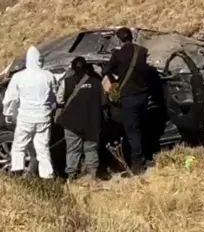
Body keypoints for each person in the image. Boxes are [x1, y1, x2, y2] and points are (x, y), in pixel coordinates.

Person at [2, 46, 58, 180]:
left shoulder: (19, 77)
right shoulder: (49, 76)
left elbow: (10, 98)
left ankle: (17, 175)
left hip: (25, 119)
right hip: (43, 118)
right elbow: (55, 96)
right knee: (43, 149)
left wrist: (8, 114)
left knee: (18, 147)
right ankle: (48, 178)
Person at [102, 27, 150, 175]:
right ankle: (147, 156)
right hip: (143, 95)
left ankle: (138, 165)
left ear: (119, 39)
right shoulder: (142, 51)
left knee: (132, 131)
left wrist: (114, 80)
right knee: (142, 127)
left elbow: (105, 71)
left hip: (128, 97)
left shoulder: (117, 54)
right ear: (132, 37)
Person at [56, 57, 107, 181]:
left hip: (71, 123)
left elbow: (59, 100)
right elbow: (104, 102)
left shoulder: (66, 82)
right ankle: (93, 175)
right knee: (91, 149)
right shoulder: (96, 83)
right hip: (92, 122)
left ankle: (71, 176)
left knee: (73, 150)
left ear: (72, 68)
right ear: (87, 68)